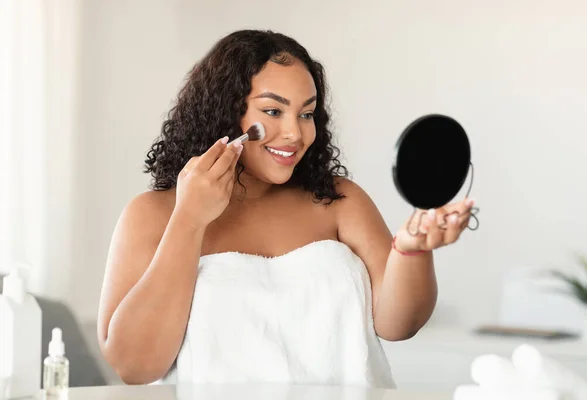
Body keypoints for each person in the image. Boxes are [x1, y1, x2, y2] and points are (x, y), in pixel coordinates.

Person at [96, 29, 475, 389]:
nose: (296, 133)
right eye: (274, 112)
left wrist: (412, 249)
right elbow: (134, 366)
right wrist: (189, 219)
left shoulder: (339, 201)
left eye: (306, 113)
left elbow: (399, 325)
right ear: (224, 114)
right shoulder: (152, 214)